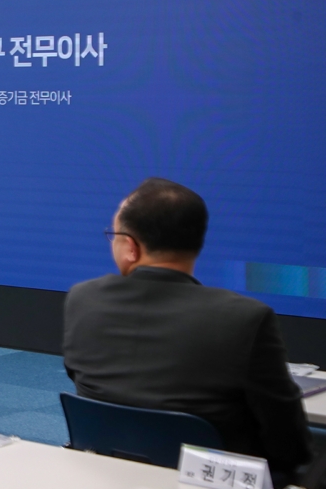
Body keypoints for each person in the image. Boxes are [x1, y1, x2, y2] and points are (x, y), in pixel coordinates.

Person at [64, 177, 312, 480]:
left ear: (130, 247)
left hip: (107, 471)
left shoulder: (82, 299)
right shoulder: (246, 318)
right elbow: (290, 441)